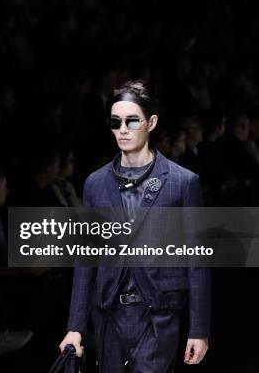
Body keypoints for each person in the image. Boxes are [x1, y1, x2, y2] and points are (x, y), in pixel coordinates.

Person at [59, 80, 210, 371]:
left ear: (151, 122)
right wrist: (75, 326)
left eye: (131, 121)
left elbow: (197, 261)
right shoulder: (96, 184)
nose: (123, 129)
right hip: (107, 316)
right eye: (116, 122)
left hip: (158, 315)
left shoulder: (182, 183)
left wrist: (199, 328)